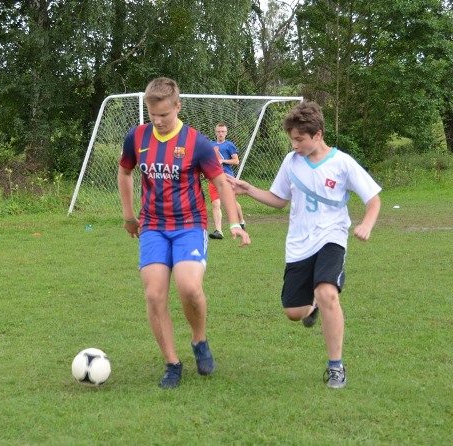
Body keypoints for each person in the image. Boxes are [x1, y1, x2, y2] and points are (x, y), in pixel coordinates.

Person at [226, 101, 381, 389]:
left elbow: (373, 199)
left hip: (332, 237)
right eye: (292, 140)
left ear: (317, 134)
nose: (295, 145)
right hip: (299, 243)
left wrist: (367, 224)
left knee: (327, 292)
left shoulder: (342, 163)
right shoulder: (291, 162)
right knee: (294, 312)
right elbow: (279, 200)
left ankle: (335, 366)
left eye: (300, 139)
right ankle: (312, 307)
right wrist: (249, 190)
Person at [118, 77, 251, 389]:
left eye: (164, 114)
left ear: (178, 106)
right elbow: (125, 172)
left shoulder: (197, 143)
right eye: (153, 115)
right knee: (154, 295)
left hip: (189, 225)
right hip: (153, 226)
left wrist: (234, 223)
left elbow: (220, 183)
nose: (158, 121)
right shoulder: (137, 137)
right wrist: (128, 215)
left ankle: (199, 340)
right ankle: (172, 363)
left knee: (189, 288)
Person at [208, 123, 246, 240]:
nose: (221, 133)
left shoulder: (229, 145)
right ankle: (218, 231)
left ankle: (241, 222)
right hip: (214, 178)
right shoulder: (211, 145)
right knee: (215, 203)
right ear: (215, 132)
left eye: (223, 131)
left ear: (226, 133)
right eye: (219, 131)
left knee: (232, 203)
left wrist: (223, 161)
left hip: (227, 178)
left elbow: (236, 161)